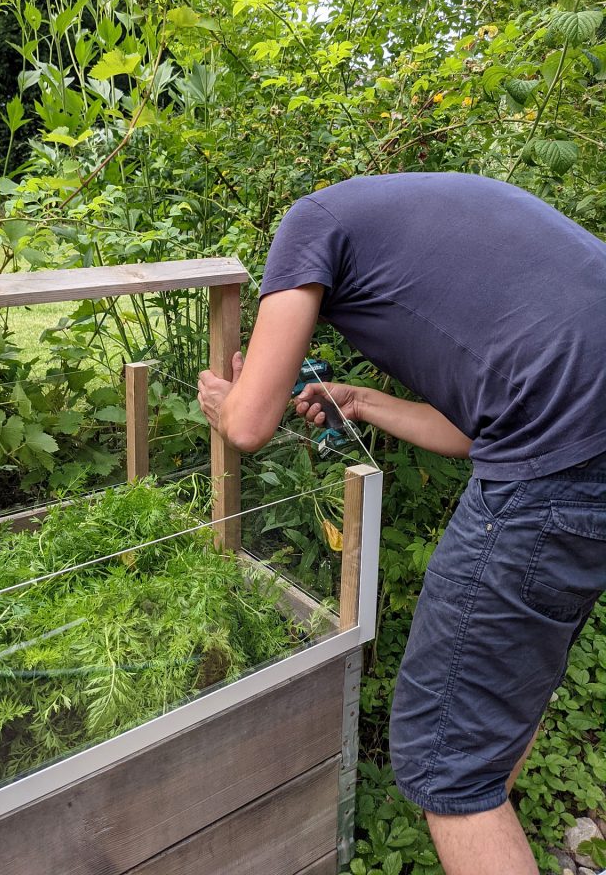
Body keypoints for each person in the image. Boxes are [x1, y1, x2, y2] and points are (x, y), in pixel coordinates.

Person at [196, 172, 606, 875]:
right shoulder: (431, 217)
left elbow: (251, 422)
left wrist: (224, 398)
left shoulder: (308, 224)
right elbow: (477, 435)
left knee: (448, 767)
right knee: (488, 720)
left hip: (556, 465)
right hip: (581, 452)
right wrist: (360, 399)